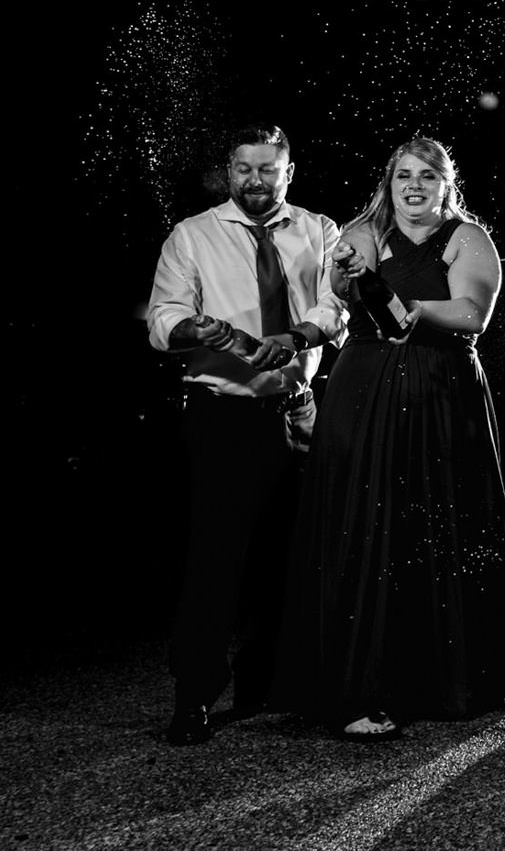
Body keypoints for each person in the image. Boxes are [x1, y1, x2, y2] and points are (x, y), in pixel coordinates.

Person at [273, 136, 505, 740]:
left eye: (428, 176)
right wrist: (346, 276)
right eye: (403, 176)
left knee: (439, 523)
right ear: (389, 183)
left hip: (445, 394)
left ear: (447, 183)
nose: (414, 186)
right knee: (365, 527)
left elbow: (472, 317)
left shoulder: (471, 238)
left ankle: (455, 677)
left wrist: (410, 304)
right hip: (365, 393)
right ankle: (358, 685)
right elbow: (339, 294)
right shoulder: (363, 231)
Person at [145, 124, 346, 746]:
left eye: (268, 169)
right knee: (215, 563)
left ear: (289, 172)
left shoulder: (320, 230)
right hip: (224, 417)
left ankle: (279, 687)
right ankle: (195, 697)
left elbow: (336, 305)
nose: (255, 181)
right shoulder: (193, 235)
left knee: (300, 558)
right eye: (243, 169)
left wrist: (301, 337)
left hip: (302, 412)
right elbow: (162, 320)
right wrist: (204, 332)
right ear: (227, 172)